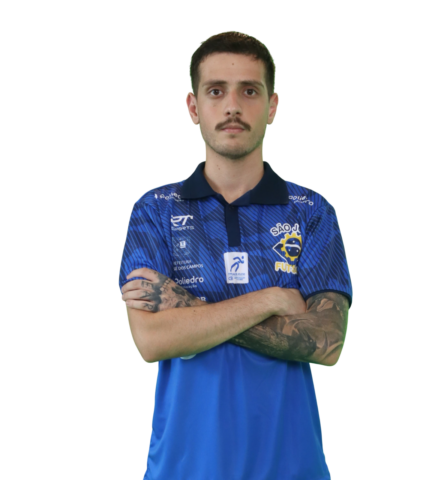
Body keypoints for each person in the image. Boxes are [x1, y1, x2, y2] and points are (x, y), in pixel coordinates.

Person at [118, 30, 353, 480]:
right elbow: (151, 341)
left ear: (272, 106)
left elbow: (328, 343)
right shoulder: (154, 209)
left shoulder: (311, 210)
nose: (232, 106)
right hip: (184, 469)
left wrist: (189, 310)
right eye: (216, 91)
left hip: (292, 469)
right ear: (193, 107)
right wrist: (270, 300)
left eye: (249, 91)